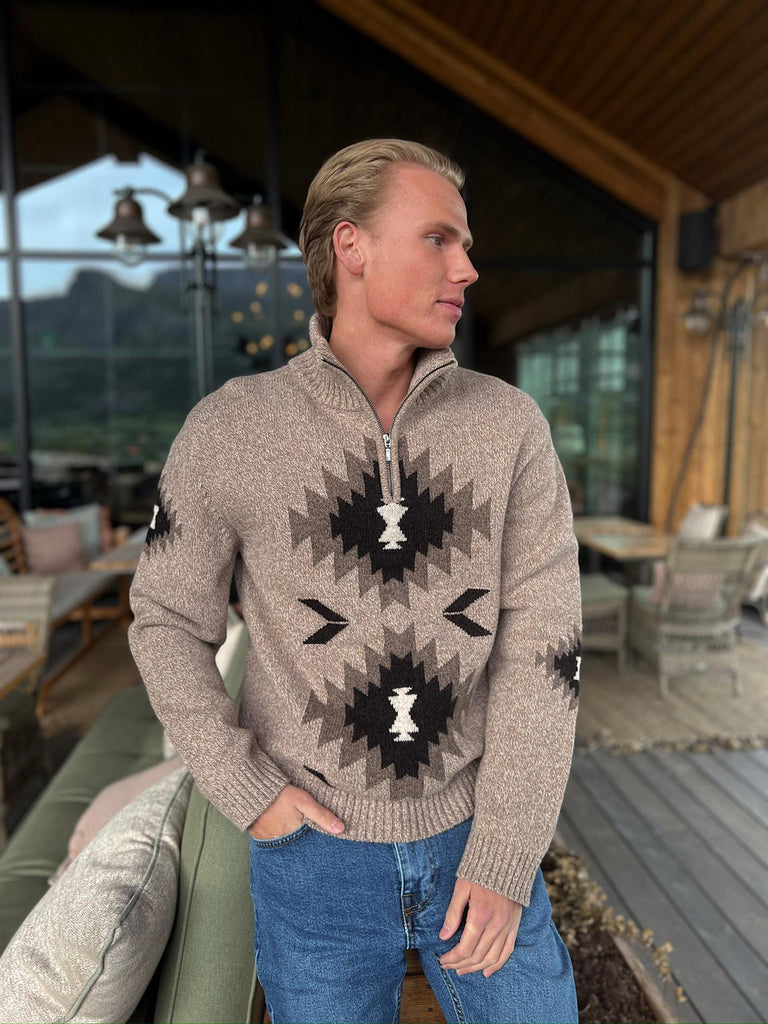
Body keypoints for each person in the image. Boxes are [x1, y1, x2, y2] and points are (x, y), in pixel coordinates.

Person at [128, 138, 581, 1024]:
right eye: (439, 239)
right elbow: (163, 619)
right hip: (315, 860)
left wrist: (506, 852)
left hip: (477, 833)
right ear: (351, 246)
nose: (468, 268)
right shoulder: (230, 430)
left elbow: (546, 650)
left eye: (466, 244)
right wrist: (248, 790)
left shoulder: (509, 427)